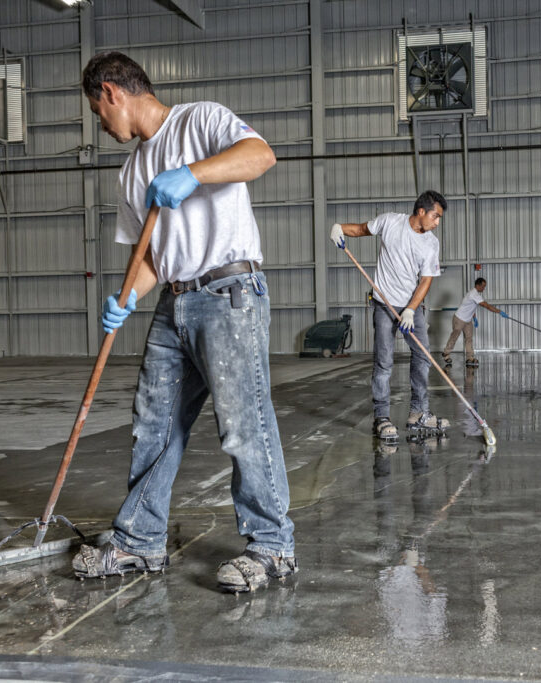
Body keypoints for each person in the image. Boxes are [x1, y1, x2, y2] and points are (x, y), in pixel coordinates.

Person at [71, 51, 296, 593]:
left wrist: (192, 174)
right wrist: (125, 299)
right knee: (155, 422)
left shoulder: (202, 120)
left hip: (229, 291)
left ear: (111, 93)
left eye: (97, 111)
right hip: (174, 302)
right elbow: (149, 255)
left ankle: (272, 546)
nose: (100, 125)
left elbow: (260, 156)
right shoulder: (131, 172)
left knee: (244, 423)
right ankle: (139, 540)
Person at [330, 191, 451, 442]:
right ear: (421, 211)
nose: (437, 222)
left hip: (411, 307)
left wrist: (410, 310)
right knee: (384, 362)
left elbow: (426, 280)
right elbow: (362, 229)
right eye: (435, 216)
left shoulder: (431, 243)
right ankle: (382, 417)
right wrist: (339, 228)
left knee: (423, 356)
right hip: (384, 304)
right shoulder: (390, 222)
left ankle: (418, 412)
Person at [441, 278, 507, 367]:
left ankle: (470, 358)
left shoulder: (474, 294)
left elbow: (471, 307)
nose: (484, 288)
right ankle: (446, 354)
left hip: (468, 320)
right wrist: (499, 311)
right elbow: (486, 305)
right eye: (483, 286)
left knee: (469, 338)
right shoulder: (474, 294)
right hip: (459, 319)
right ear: (478, 285)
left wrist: (474, 317)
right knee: (454, 336)